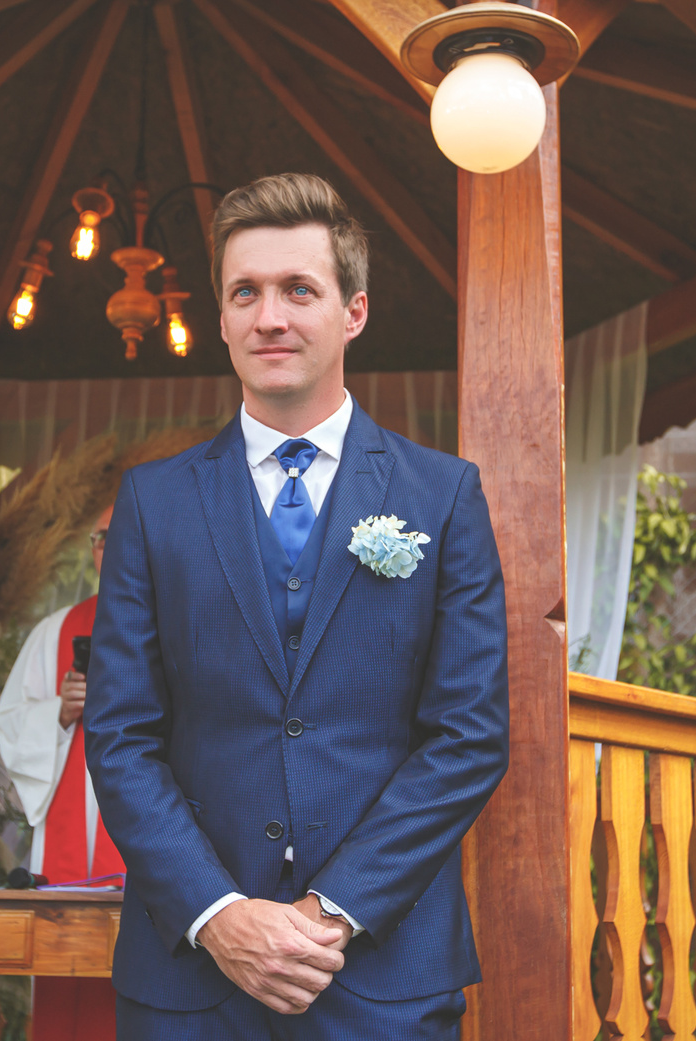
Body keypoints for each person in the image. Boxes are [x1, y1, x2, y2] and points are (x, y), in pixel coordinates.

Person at [83, 173, 510, 1039]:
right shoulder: (152, 504)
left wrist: (331, 911)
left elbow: (469, 735)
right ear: (222, 316)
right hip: (191, 979)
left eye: (298, 290)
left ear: (353, 311)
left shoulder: (442, 496)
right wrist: (218, 914)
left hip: (383, 975)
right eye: (245, 292)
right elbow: (119, 733)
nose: (269, 317)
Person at [0, 503, 123, 1041]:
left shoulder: (178, 624)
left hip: (142, 822)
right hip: (70, 838)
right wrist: (59, 713)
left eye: (119, 534)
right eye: (99, 538)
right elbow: (9, 721)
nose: (107, 547)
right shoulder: (55, 632)